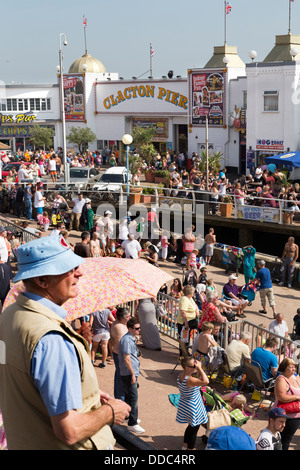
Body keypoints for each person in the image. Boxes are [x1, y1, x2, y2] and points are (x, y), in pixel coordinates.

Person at [0, 236, 130, 450]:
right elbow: (69, 430)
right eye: (68, 269)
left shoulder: (9, 315)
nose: (79, 272)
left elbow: (23, 379)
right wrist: (110, 412)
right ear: (42, 281)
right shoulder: (51, 337)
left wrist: (75, 390)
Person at [176, 356, 209, 450]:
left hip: (186, 404)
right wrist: (200, 368)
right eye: (194, 366)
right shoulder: (189, 380)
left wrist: (197, 369)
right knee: (194, 429)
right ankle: (191, 448)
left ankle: (185, 446)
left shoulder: (181, 375)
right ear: (187, 368)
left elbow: (198, 381)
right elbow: (206, 381)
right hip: (194, 406)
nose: (196, 367)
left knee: (190, 427)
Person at [118, 317, 145, 434]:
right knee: (134, 397)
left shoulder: (130, 338)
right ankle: (132, 424)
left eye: (139, 328)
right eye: (137, 328)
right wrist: (133, 374)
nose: (139, 330)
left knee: (129, 395)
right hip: (129, 372)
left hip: (130, 372)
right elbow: (126, 358)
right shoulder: (127, 340)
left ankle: (128, 416)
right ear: (129, 328)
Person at [274, 358, 300, 450]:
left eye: (294, 367)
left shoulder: (296, 377)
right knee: (283, 441)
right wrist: (297, 397)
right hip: (285, 415)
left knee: (287, 439)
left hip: (296, 414)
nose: (293, 369)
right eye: (291, 367)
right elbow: (282, 397)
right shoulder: (281, 380)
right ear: (284, 368)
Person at [110, 307, 132, 401]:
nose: (130, 317)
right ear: (122, 318)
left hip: (117, 354)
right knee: (121, 378)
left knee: (119, 376)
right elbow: (122, 345)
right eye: (128, 316)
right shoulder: (119, 328)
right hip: (120, 356)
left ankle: (120, 397)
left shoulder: (119, 323)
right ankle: (120, 399)